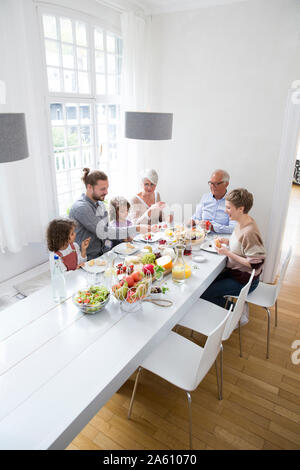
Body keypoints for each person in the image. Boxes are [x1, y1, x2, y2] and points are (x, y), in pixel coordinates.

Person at [201, 188, 265, 308]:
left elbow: (255, 264)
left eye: (229, 208)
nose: (225, 211)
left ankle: (237, 312)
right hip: (235, 274)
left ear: (241, 209)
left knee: (205, 293)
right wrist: (227, 241)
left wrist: (228, 253)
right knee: (202, 285)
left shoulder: (250, 232)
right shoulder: (241, 222)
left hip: (244, 281)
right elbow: (242, 246)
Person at [69, 168, 148, 260]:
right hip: (87, 259)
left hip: (104, 254)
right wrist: (136, 228)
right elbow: (104, 232)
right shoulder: (81, 208)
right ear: (89, 187)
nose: (106, 192)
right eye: (103, 189)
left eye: (107, 188)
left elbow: (109, 230)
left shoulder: (100, 204)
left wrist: (122, 238)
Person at [190, 169, 235, 234]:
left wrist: (213, 227)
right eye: (211, 183)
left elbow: (233, 228)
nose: (212, 186)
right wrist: (192, 222)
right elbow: (196, 217)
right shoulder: (205, 197)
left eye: (217, 184)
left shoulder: (232, 202)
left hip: (221, 240)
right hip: (201, 236)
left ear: (226, 184)